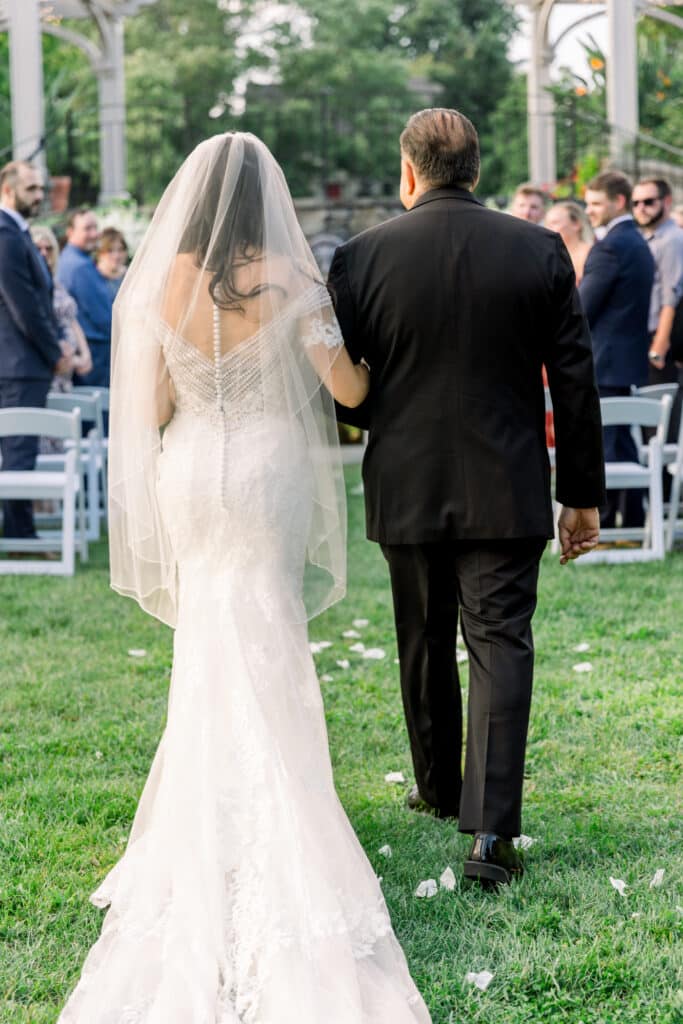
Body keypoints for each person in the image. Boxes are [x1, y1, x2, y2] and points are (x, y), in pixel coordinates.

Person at [58, 133, 431, 1023]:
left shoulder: (161, 283)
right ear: (262, 200)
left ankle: (202, 817)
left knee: (210, 637)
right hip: (264, 472)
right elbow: (345, 393)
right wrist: (379, 363)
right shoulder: (293, 281)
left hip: (191, 472)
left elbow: (148, 412)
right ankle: (281, 808)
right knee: (265, 629)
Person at [329, 108, 605, 888]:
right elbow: (574, 381)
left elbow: (346, 393)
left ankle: (437, 787)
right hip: (506, 481)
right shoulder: (539, 247)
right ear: (476, 171)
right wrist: (580, 496)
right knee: (499, 643)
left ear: (408, 172)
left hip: (405, 483)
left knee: (422, 637)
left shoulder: (358, 258)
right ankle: (487, 832)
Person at [0, 161, 72, 546]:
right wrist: (54, 352)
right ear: (8, 190)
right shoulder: (5, 234)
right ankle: (19, 535)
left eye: (42, 188)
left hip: (20, 363)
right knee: (18, 452)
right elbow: (23, 305)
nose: (40, 196)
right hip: (19, 365)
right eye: (31, 189)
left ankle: (17, 531)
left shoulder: (16, 231)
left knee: (18, 450)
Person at [580, 171, 655, 529]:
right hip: (625, 360)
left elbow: (582, 307)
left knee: (608, 445)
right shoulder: (636, 241)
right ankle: (635, 520)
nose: (589, 210)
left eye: (595, 203)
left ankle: (608, 524)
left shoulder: (610, 246)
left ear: (618, 201)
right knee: (624, 444)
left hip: (606, 361)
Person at [631, 178, 683, 386]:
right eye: (636, 203)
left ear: (667, 201)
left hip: (660, 338)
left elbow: (672, 295)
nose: (641, 208)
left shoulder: (672, 239)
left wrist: (660, 344)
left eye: (649, 202)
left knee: (660, 409)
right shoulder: (647, 237)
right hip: (645, 335)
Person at [31, 225, 93, 391]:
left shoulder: (56, 284)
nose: (44, 253)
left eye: (49, 248)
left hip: (69, 372)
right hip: (51, 369)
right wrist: (65, 357)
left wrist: (85, 354)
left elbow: (71, 320)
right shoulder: (30, 288)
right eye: (38, 248)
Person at [57, 207, 114, 388]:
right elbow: (105, 318)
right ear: (70, 232)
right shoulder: (80, 267)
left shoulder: (66, 258)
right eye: (87, 228)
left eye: (95, 227)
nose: (94, 233)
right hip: (95, 356)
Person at [544, 200, 593, 283]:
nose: (548, 228)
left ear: (576, 224)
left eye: (555, 223)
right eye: (547, 224)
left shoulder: (591, 253)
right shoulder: (548, 255)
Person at [95, 226, 128, 301]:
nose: (116, 256)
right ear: (100, 253)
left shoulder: (128, 276)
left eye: (120, 249)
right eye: (110, 250)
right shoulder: (94, 277)